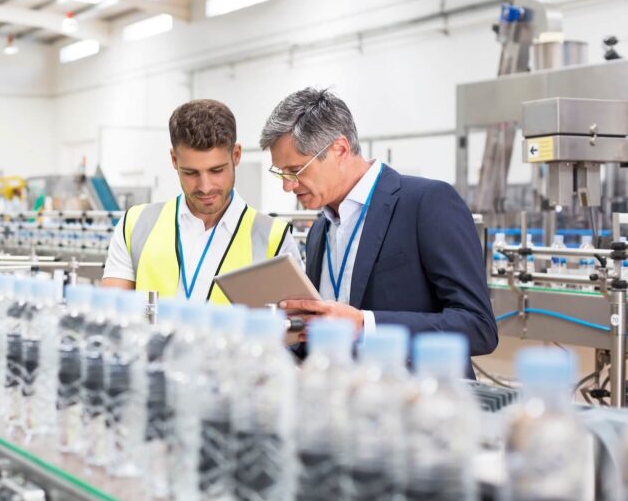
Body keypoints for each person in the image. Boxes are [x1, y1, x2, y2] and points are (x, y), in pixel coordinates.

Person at [261, 88, 496, 373]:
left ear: (340, 149)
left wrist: (365, 324)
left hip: (417, 403)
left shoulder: (426, 203)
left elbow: (478, 327)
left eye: (296, 170)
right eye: (282, 173)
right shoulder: (319, 230)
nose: (288, 185)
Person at [102, 99, 301, 303]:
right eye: (191, 172)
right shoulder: (135, 225)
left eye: (216, 171)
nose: (205, 187)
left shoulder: (275, 239)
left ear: (236, 155)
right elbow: (111, 314)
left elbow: (291, 330)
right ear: (174, 160)